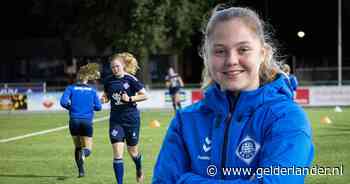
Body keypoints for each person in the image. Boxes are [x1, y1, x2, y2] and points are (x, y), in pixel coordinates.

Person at [153, 6, 314, 184]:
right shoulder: (185, 121)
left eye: (243, 49)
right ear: (206, 56)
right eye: (220, 51)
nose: (231, 60)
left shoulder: (287, 118)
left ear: (262, 53)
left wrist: (186, 180)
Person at [101, 52, 148, 184]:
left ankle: (138, 166)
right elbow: (106, 95)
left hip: (131, 119)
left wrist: (130, 98)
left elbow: (145, 95)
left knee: (133, 152)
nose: (115, 69)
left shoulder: (131, 79)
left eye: (117, 66)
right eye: (113, 67)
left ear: (122, 66)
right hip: (116, 121)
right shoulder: (108, 80)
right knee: (117, 154)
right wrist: (103, 99)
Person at [60, 63, 102, 177]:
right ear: (87, 78)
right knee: (87, 149)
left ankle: (81, 171)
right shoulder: (92, 90)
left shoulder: (70, 88)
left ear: (77, 77)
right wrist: (89, 107)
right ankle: (84, 154)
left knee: (77, 146)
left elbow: (63, 102)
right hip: (87, 121)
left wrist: (72, 107)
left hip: (74, 121)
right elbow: (98, 107)